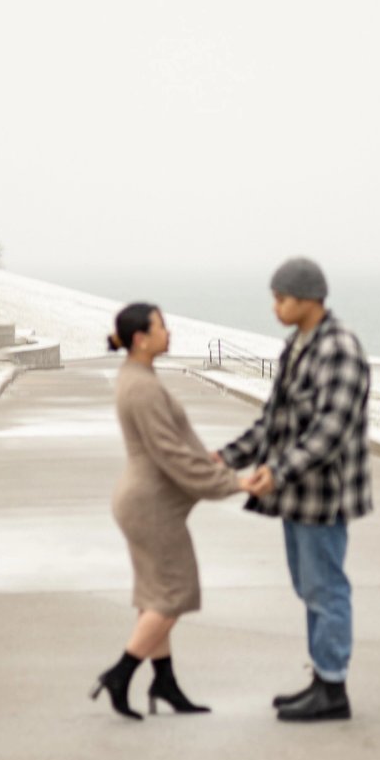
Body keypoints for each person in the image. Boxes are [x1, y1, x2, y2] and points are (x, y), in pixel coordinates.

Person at [216, 258, 371, 722]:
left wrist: (278, 471)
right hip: (295, 495)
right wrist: (227, 457)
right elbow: (273, 421)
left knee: (326, 587)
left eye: (281, 298)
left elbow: (332, 427)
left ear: (308, 299)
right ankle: (322, 678)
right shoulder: (296, 346)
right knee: (309, 587)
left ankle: (333, 687)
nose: (274, 307)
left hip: (323, 495)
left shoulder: (339, 348)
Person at [92, 302, 252, 720]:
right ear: (142, 339)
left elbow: (178, 448)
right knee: (173, 596)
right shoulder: (141, 387)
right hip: (151, 507)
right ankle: (120, 673)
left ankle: (164, 683)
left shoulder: (138, 377)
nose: (170, 332)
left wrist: (212, 461)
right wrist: (232, 483)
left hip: (144, 501)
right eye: (162, 326)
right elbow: (170, 455)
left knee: (154, 596)